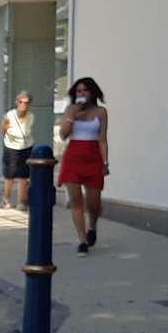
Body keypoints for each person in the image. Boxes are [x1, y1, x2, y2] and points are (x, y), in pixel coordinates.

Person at [57, 77, 110, 257]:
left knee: (93, 203)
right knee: (76, 201)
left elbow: (102, 139)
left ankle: (92, 225)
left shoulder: (101, 112)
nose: (82, 94)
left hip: (93, 157)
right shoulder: (70, 111)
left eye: (85, 90)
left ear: (92, 92)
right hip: (73, 158)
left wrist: (105, 162)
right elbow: (63, 135)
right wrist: (71, 115)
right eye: (78, 91)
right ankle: (82, 240)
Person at [0, 91, 34, 210]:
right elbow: (3, 130)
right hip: (11, 147)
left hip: (26, 147)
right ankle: (6, 199)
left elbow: (29, 130)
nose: (23, 105)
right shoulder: (9, 115)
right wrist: (10, 140)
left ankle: (21, 201)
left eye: (26, 103)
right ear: (16, 102)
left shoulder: (30, 116)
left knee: (24, 175)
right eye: (21, 102)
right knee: (9, 175)